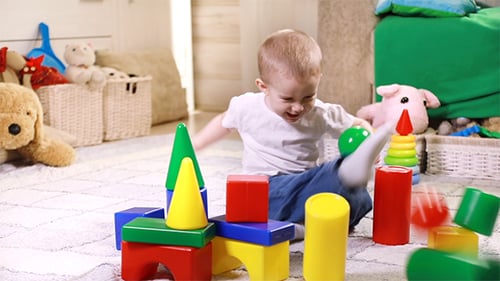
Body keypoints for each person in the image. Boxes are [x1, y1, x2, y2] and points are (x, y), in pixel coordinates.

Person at [192, 29, 395, 240]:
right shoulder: (246, 107)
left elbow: (357, 122)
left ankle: (304, 225)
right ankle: (308, 219)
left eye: (308, 97)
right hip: (263, 189)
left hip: (306, 185)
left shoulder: (321, 113)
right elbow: (224, 122)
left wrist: (368, 140)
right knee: (335, 173)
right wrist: (196, 143)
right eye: (288, 99)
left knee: (353, 195)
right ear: (264, 87)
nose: (298, 107)